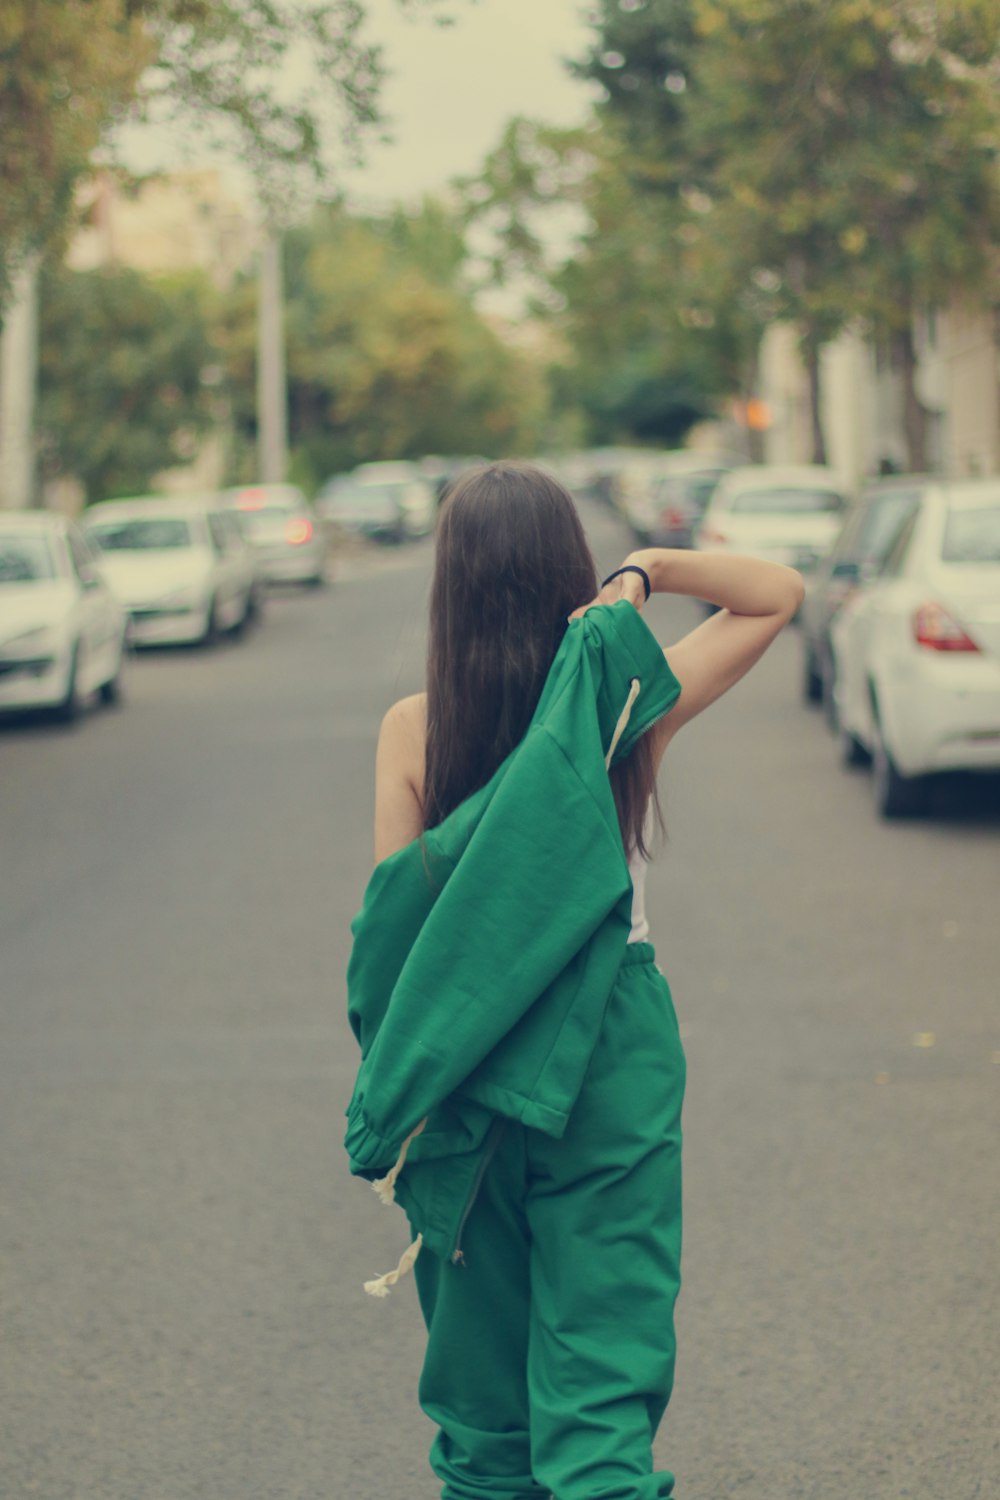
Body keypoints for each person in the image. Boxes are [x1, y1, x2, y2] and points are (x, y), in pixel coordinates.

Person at [347, 460, 804, 1500]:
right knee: (600, 1372)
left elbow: (398, 929)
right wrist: (645, 568)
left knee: (483, 1403)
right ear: (572, 573)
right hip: (608, 1043)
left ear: (448, 584)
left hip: (466, 1058)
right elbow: (776, 593)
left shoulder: (415, 728)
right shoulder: (622, 703)